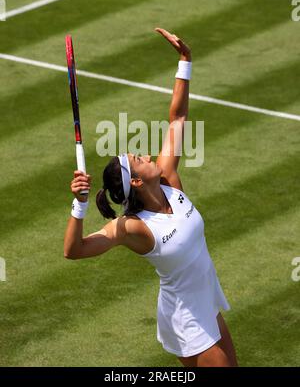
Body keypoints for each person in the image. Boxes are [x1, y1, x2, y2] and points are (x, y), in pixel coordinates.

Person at [64, 28, 238, 368]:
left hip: (206, 302)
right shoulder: (135, 228)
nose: (145, 154)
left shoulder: (169, 180)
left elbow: (177, 118)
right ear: (137, 181)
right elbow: (74, 250)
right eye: (138, 158)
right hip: (186, 318)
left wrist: (184, 62)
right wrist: (79, 206)